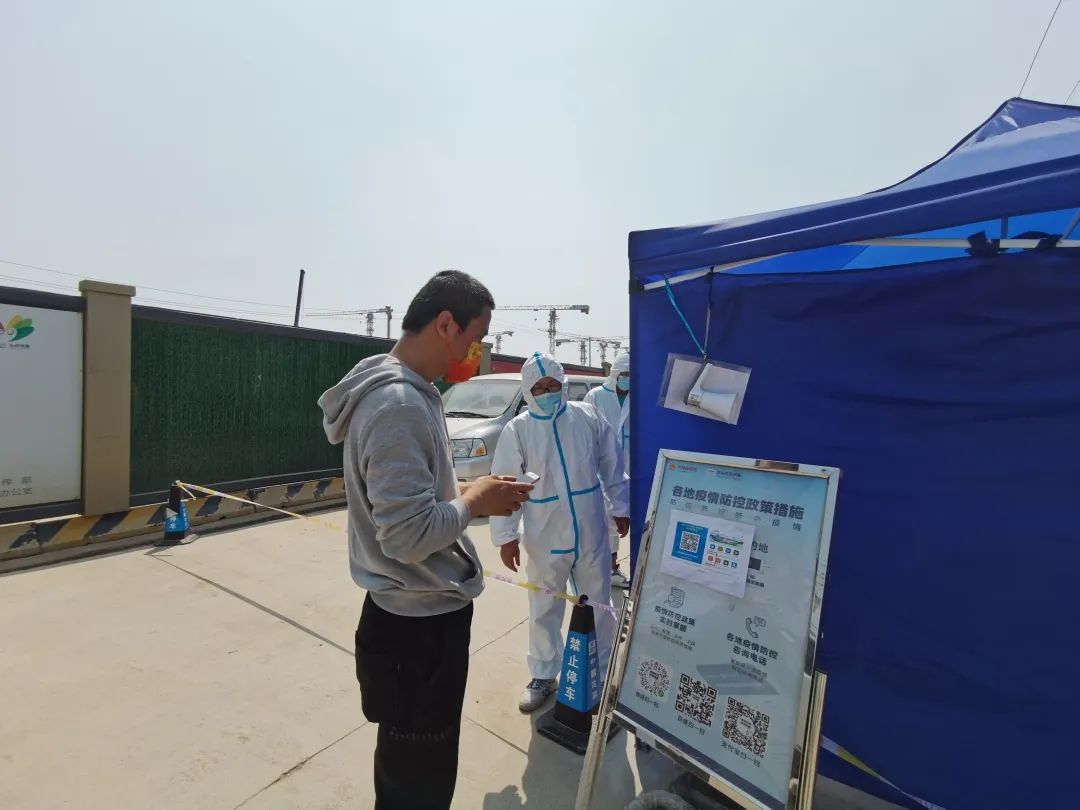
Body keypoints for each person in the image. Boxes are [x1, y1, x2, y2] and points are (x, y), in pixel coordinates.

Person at [318, 270, 533, 810]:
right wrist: (474, 501)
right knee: (418, 783)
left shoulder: (406, 392)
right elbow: (409, 536)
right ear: (445, 324)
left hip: (408, 616)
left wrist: (470, 492)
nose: (475, 354)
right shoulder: (399, 405)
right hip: (418, 632)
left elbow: (411, 505)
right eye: (474, 339)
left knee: (408, 771)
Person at [490, 352, 629, 713]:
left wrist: (621, 507)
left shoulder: (587, 417)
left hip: (590, 529)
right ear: (528, 391)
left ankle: (600, 671)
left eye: (553, 385)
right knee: (544, 606)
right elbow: (505, 485)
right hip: (544, 534)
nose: (548, 393)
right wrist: (505, 536)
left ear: (564, 383)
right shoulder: (518, 430)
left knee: (598, 603)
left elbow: (612, 465)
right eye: (539, 388)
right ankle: (544, 673)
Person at [583, 353, 631, 588]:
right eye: (624, 374)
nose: (628, 379)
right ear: (614, 374)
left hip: (629, 465)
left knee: (621, 519)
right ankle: (606, 569)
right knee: (604, 521)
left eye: (631, 375)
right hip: (601, 466)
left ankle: (610, 569)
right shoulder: (596, 396)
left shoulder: (637, 396)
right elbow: (585, 429)